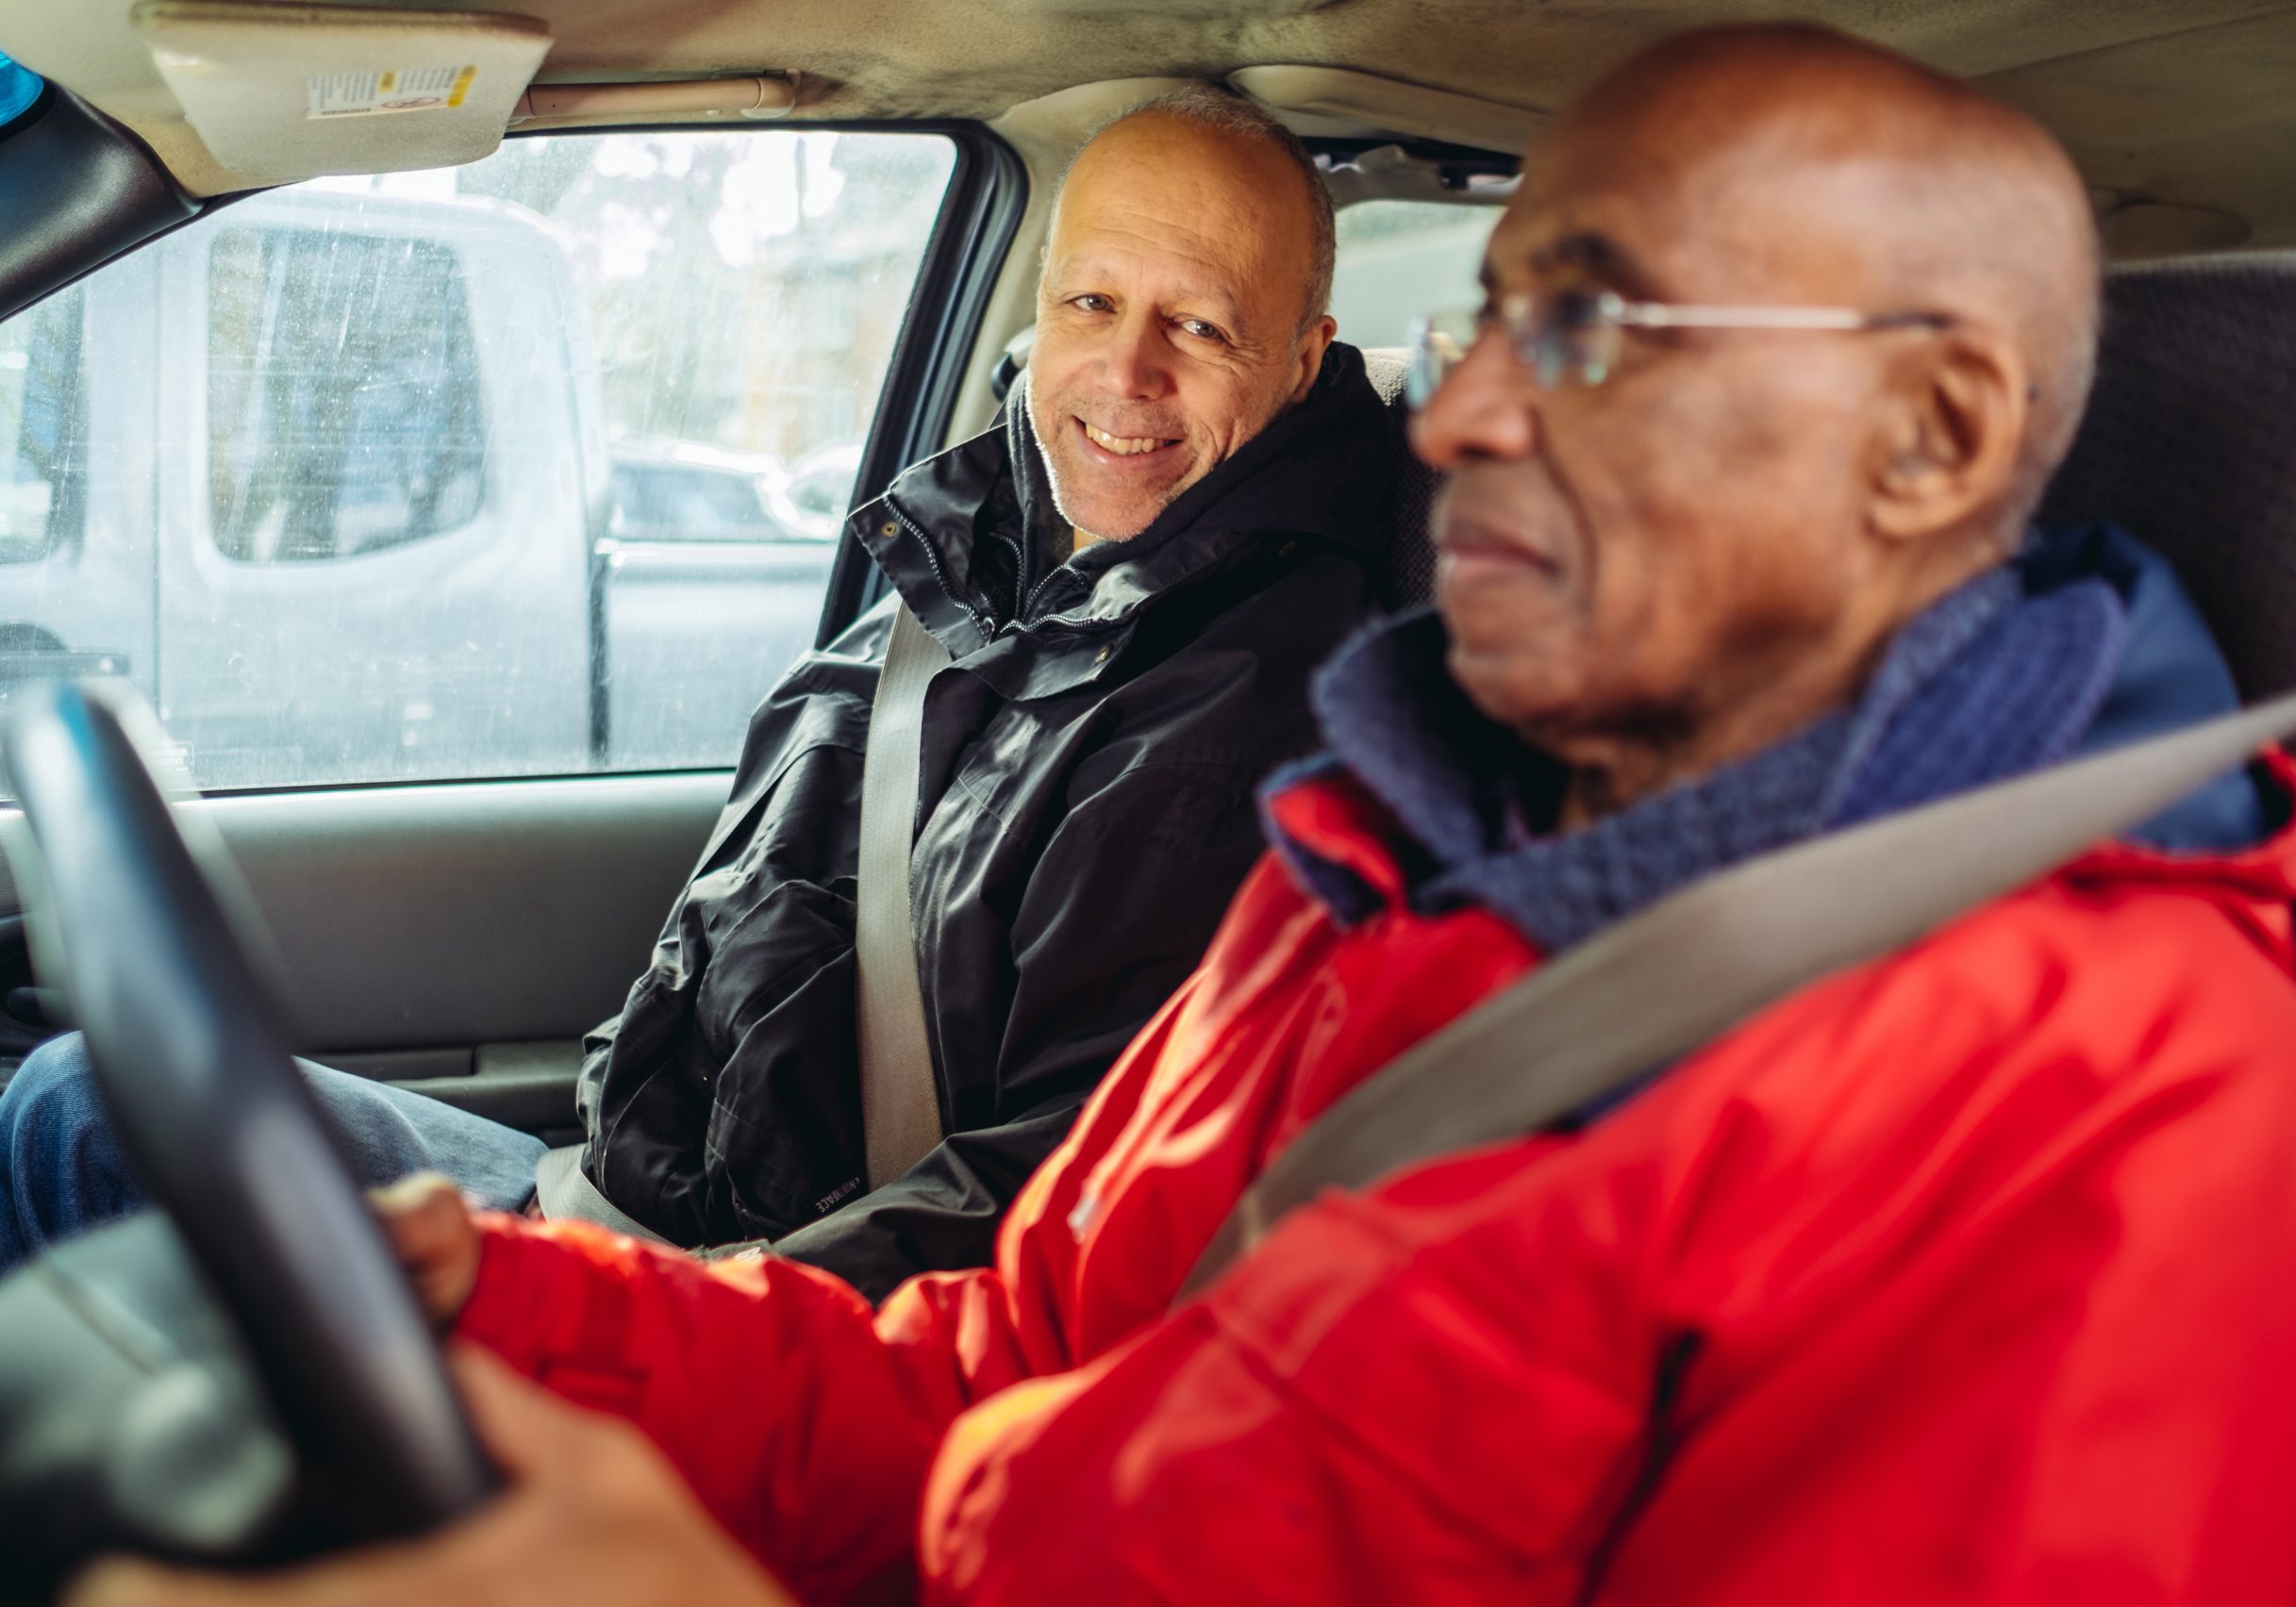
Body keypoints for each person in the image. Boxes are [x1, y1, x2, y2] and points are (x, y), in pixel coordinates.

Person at [72, 24, 2296, 1607]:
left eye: (1587, 331)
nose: (1464, 412)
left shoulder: (2137, 1144)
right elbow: (989, 1382)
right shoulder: (1385, 878)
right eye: (1485, 316)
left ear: (1925, 439)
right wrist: (545, 1313)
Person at [0, 89, 1396, 1297]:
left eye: (1200, 327)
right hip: (634, 1212)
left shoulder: (1272, 713)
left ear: (1300, 353)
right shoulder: (967, 580)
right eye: (1091, 300)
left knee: (79, 1128)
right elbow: (725, 930)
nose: (1126, 370)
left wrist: (678, 1315)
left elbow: (1056, 1200)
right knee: (79, 1104)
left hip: (778, 1317)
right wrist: (610, 1154)